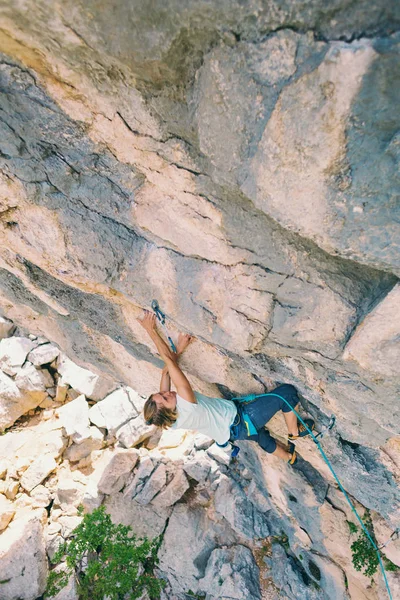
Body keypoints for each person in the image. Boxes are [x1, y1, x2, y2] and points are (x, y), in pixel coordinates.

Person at [138, 311, 315, 465]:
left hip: (233, 433)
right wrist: (150, 330)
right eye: (166, 398)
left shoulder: (171, 420)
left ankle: (288, 457)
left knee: (261, 436)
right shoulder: (186, 404)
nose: (167, 393)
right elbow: (169, 362)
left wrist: (179, 348)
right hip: (242, 419)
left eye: (161, 393)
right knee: (287, 393)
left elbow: (165, 373)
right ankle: (294, 432)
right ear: (169, 410)